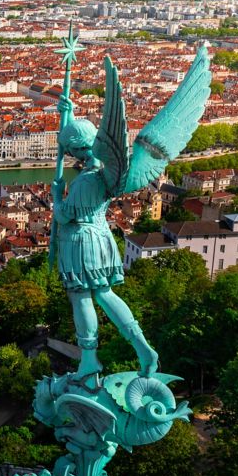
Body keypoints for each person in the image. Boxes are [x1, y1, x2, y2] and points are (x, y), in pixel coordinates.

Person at [52, 95, 157, 379]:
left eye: (70, 149)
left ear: (75, 149)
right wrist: (70, 114)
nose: (69, 154)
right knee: (104, 293)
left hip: (80, 242)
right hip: (101, 237)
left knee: (81, 298)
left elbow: (64, 216)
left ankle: (89, 360)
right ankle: (141, 345)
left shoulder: (86, 180)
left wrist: (56, 197)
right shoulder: (103, 171)